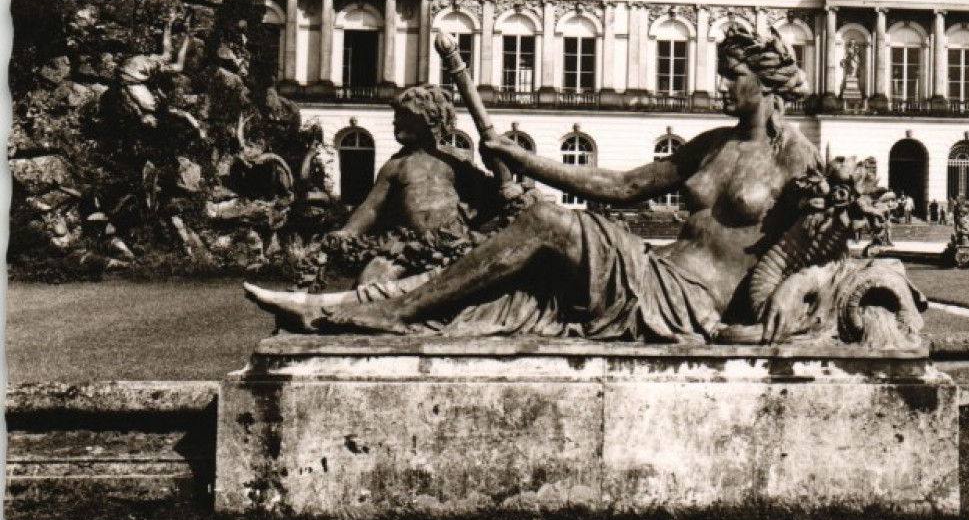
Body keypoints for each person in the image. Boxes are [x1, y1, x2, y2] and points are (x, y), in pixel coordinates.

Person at [246, 24, 820, 340]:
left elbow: (832, 247)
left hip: (692, 304)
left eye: (733, 76)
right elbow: (619, 186)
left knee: (543, 223)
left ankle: (392, 312)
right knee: (512, 289)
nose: (722, 87)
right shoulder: (711, 145)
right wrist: (525, 163)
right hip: (655, 271)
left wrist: (786, 300)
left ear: (767, 81)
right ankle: (345, 305)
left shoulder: (799, 159)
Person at [332, 85, 503, 245]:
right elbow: (371, 208)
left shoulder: (454, 158)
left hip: (456, 240)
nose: (395, 122)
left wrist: (502, 174)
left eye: (404, 115)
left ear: (430, 118)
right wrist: (348, 232)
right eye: (396, 115)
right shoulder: (395, 166)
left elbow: (488, 194)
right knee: (369, 278)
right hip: (411, 244)